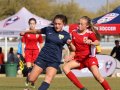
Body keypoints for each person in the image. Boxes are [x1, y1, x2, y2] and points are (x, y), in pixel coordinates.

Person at [20, 14, 75, 90]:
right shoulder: (48, 29)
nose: (56, 26)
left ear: (64, 24)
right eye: (55, 23)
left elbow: (73, 50)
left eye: (59, 24)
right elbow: (36, 31)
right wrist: (26, 32)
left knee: (48, 79)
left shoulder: (66, 35)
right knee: (31, 79)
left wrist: (70, 46)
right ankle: (29, 73)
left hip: (54, 60)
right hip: (42, 57)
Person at [62, 16, 111, 90]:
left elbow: (97, 42)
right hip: (79, 59)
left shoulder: (90, 33)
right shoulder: (73, 33)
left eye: (82, 24)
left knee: (98, 77)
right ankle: (82, 88)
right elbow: (74, 49)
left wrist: (91, 42)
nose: (79, 25)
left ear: (87, 26)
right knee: (65, 67)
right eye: (79, 23)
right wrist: (70, 54)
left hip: (89, 58)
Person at [21, 18, 43, 87]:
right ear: (29, 24)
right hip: (28, 51)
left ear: (35, 24)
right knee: (29, 68)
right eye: (31, 23)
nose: (32, 25)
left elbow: (41, 43)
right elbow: (23, 43)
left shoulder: (38, 33)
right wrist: (23, 52)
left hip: (36, 52)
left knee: (34, 69)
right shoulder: (26, 33)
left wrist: (41, 52)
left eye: (33, 23)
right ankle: (28, 80)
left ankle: (33, 81)